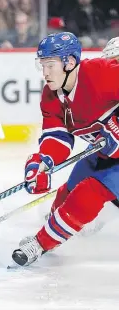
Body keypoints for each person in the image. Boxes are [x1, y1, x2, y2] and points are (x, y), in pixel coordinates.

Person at [12, 32, 119, 267]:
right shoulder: (52, 95)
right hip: (103, 154)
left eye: (50, 65)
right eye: (43, 65)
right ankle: (55, 232)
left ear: (70, 63)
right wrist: (44, 161)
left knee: (90, 193)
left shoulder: (101, 73)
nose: (45, 72)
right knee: (68, 193)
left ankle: (41, 242)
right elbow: (57, 135)